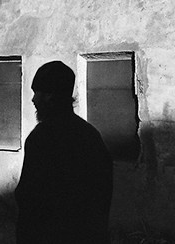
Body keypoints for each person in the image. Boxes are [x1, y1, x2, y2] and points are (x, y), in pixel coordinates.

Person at [15, 61, 113, 243]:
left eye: (37, 92)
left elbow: (29, 199)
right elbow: (101, 197)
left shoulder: (42, 138)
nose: (33, 99)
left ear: (50, 96)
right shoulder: (91, 135)